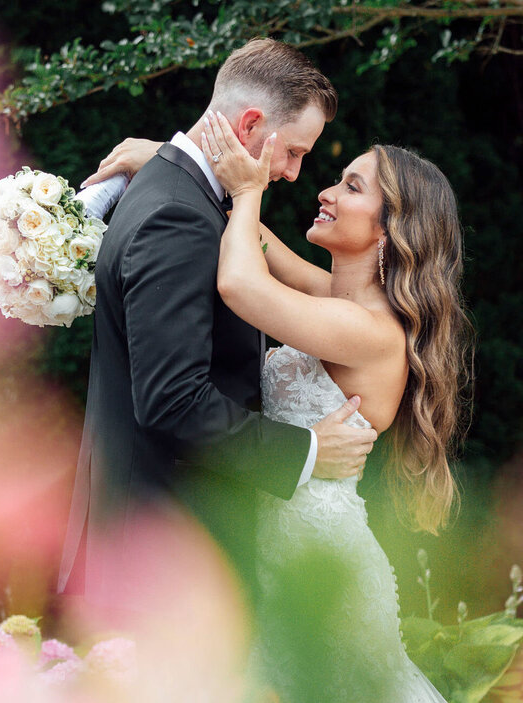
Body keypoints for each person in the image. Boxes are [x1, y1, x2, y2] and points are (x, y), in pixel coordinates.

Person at [95, 112, 471, 700]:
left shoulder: (370, 331)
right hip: (273, 541)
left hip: (319, 555)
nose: (323, 191)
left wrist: (247, 189)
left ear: (392, 231)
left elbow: (241, 283)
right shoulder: (336, 298)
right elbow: (260, 244)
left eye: (351, 187)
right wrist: (178, 165)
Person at [57, 39, 378, 615]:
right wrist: (306, 451)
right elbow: (172, 400)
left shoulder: (180, 193)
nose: (294, 174)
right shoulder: (180, 216)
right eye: (294, 153)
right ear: (251, 123)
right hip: (167, 544)